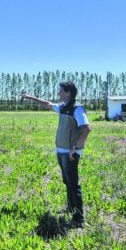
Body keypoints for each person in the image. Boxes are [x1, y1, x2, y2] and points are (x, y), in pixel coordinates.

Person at [21, 81, 91, 227]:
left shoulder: (77, 109)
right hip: (61, 150)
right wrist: (29, 97)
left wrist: (76, 149)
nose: (59, 93)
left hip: (70, 153)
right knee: (67, 181)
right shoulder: (63, 107)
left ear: (68, 93)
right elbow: (47, 104)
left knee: (73, 183)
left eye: (61, 91)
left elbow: (86, 129)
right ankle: (71, 207)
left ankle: (79, 218)